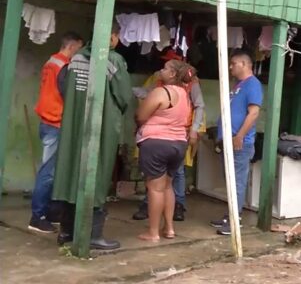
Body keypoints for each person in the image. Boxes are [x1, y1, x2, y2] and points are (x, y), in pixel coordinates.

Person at [54, 23, 132, 250]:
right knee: (97, 175)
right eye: (117, 35)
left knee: (71, 173)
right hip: (101, 126)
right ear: (111, 37)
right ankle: (93, 235)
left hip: (74, 124)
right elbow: (124, 96)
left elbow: (65, 86)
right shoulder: (114, 60)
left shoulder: (76, 57)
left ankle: (66, 232)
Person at [132, 53, 205, 222]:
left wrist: (194, 130)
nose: (160, 69)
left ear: (174, 72)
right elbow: (145, 93)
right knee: (164, 179)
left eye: (165, 66)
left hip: (177, 133)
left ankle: (175, 206)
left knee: (168, 176)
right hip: (176, 137)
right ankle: (160, 213)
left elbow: (200, 106)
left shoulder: (191, 85)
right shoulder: (160, 83)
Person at [27, 32, 84, 234]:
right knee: (48, 172)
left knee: (53, 171)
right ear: (73, 45)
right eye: (79, 47)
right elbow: (68, 95)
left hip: (48, 120)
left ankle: (50, 213)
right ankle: (38, 216)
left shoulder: (51, 62)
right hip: (55, 122)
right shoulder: (63, 66)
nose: (80, 51)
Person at [210, 50, 263, 235]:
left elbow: (254, 113)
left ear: (244, 63)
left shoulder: (252, 84)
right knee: (230, 180)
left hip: (240, 142)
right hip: (229, 140)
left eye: (233, 63)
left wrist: (239, 135)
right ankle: (230, 214)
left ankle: (235, 220)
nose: (230, 67)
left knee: (237, 181)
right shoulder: (238, 85)